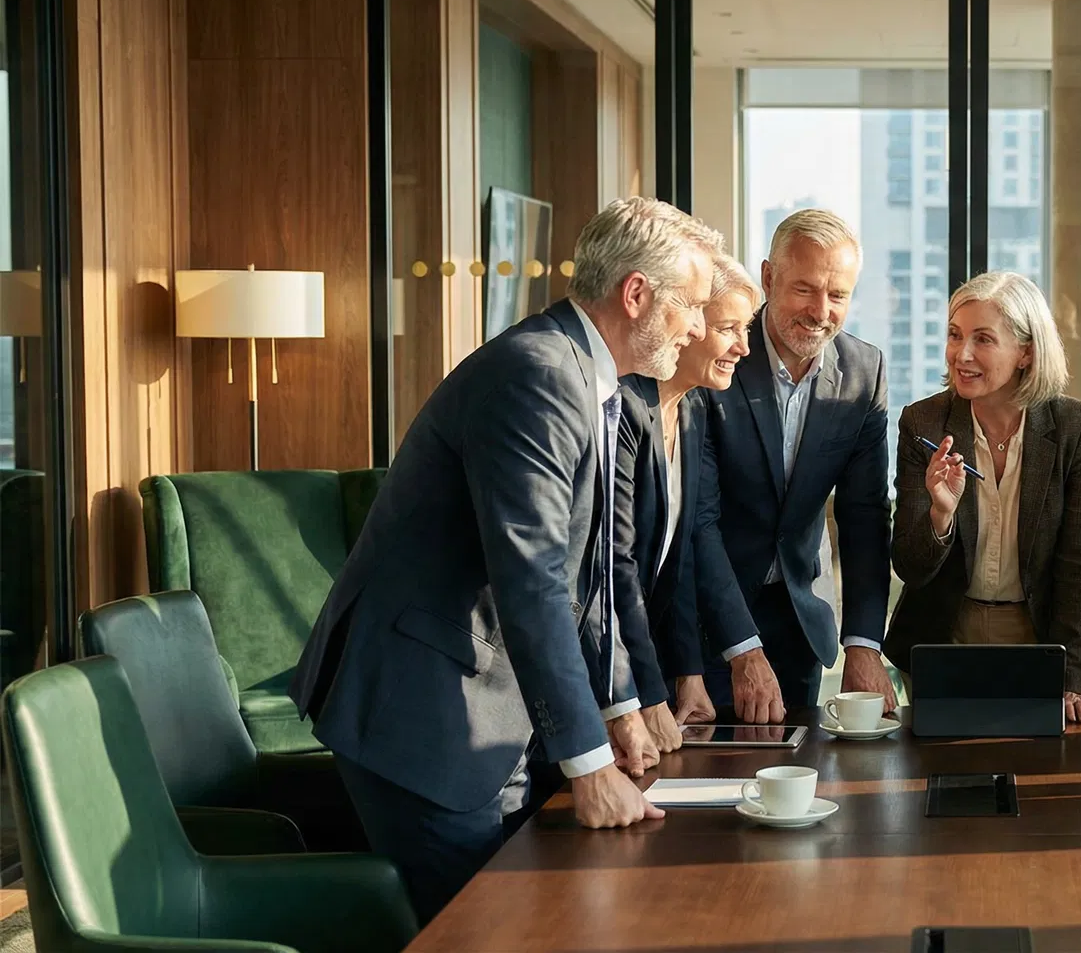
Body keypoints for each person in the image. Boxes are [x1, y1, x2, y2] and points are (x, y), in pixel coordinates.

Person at [288, 196, 715, 921]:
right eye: (694, 307)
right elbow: (535, 581)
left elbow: (596, 576)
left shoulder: (594, 382)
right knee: (487, 930)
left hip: (489, 711)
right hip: (425, 716)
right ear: (636, 294)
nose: (700, 328)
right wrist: (588, 761)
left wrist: (617, 706)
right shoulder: (540, 375)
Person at [887, 272, 1081, 721]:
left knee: (1040, 782)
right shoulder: (923, 423)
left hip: (1042, 639)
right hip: (943, 636)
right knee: (945, 777)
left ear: (1026, 352)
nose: (961, 354)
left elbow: (1080, 566)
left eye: (982, 339)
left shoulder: (1074, 428)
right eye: (954, 335)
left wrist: (1074, 682)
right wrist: (940, 517)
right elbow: (909, 564)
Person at [702, 208, 896, 712]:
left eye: (838, 295)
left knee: (798, 780)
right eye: (805, 289)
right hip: (704, 622)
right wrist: (742, 649)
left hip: (798, 627)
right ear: (768, 277)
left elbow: (865, 517)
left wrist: (863, 644)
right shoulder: (719, 355)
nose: (820, 311)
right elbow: (696, 520)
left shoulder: (862, 372)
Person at [618, 248, 786, 726]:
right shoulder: (625, 409)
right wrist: (643, 697)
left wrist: (687, 671)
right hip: (603, 670)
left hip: (645, 662)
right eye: (728, 328)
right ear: (688, 322)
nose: (744, 347)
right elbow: (614, 570)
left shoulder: (691, 411)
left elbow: (681, 558)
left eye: (746, 328)